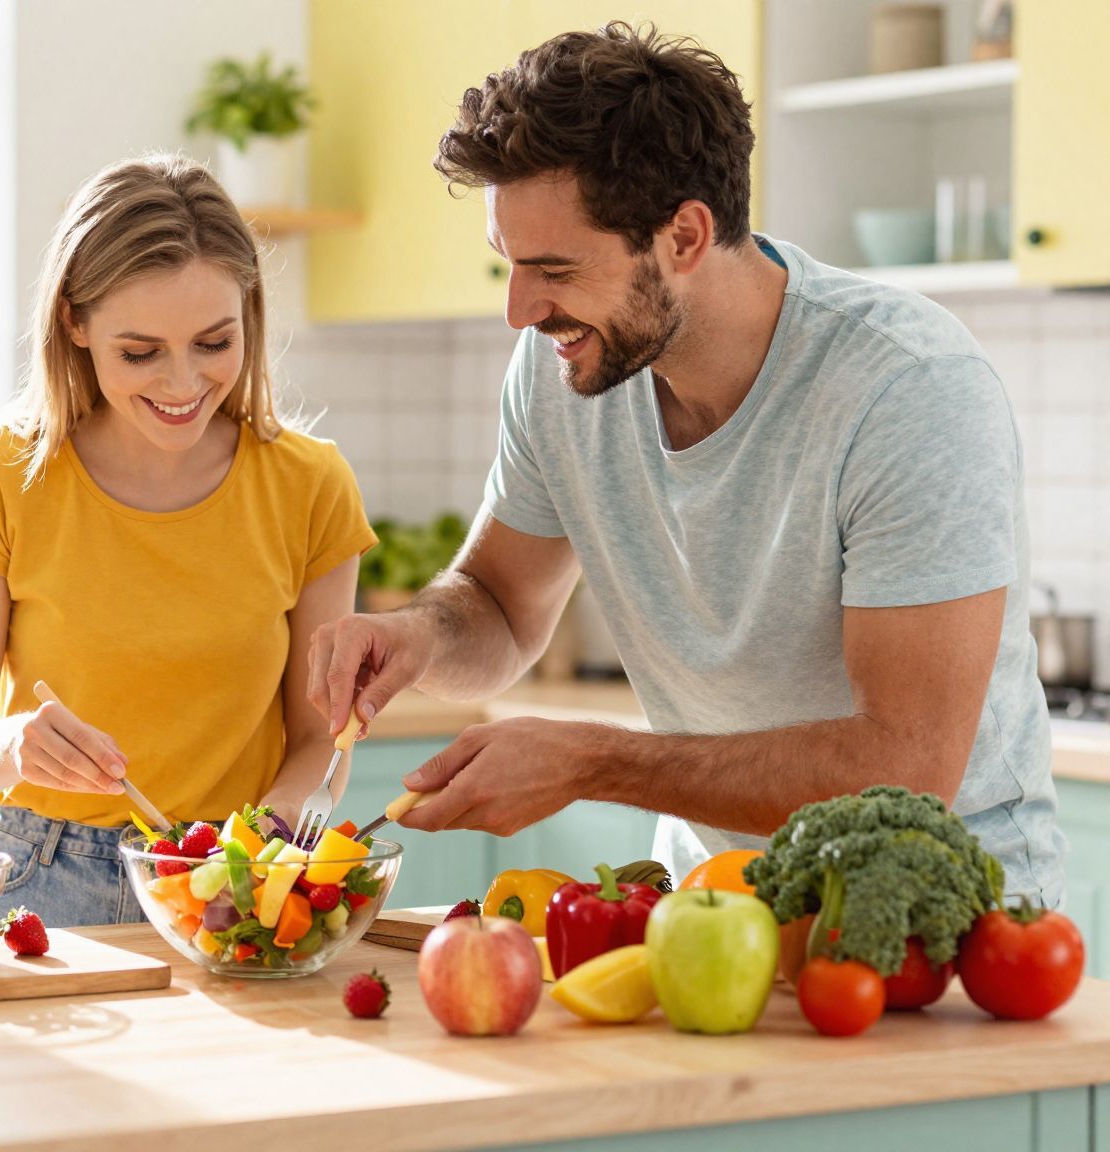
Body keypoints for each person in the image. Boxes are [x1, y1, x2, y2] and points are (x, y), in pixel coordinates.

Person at [309, 23, 1063, 904]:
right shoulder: (567, 367)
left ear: (686, 236)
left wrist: (593, 759)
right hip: (717, 909)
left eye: (552, 268)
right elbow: (503, 608)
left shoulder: (907, 388)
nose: (519, 311)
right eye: (508, 266)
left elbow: (903, 767)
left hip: (938, 918)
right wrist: (417, 638)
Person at [0, 154, 377, 928]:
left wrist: (274, 833)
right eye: (140, 352)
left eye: (214, 343)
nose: (182, 384)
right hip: (43, 872)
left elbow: (316, 742)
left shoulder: (311, 485)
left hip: (236, 879)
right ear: (75, 322)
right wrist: (11, 746)